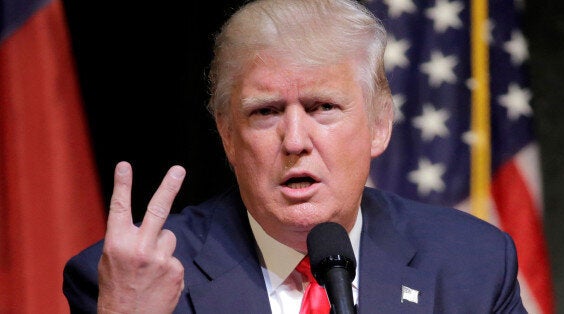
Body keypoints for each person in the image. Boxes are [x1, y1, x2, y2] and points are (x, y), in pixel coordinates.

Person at [63, 0, 527, 313]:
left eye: (323, 107)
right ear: (227, 135)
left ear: (380, 124)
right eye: (265, 112)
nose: (295, 140)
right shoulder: (131, 280)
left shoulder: (472, 265)